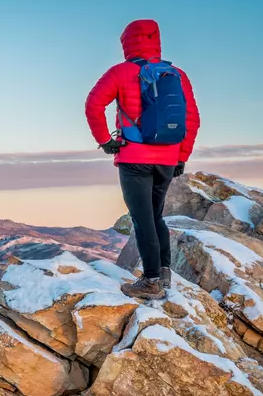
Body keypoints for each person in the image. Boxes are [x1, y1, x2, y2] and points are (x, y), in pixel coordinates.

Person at [85, 19, 200, 300]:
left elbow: (93, 104)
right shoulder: (177, 75)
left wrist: (105, 141)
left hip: (134, 158)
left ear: (127, 43)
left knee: (142, 218)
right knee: (156, 215)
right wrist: (181, 157)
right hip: (168, 159)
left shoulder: (120, 72)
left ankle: (150, 282)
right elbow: (192, 120)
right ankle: (163, 273)